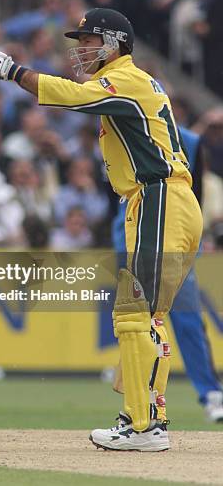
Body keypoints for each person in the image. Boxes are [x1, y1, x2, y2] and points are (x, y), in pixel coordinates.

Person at [0, 7, 203, 452]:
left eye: (88, 40)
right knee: (148, 316)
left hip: (157, 196)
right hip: (168, 199)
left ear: (114, 43)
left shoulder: (127, 79)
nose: (80, 49)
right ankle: (143, 416)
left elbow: (74, 97)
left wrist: (16, 72)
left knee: (134, 314)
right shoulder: (132, 79)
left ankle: (145, 427)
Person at [112, 125, 223, 423]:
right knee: (138, 321)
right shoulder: (119, 124)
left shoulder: (187, 139)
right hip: (136, 225)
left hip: (170, 230)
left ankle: (209, 394)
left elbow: (193, 189)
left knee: (179, 319)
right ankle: (139, 401)